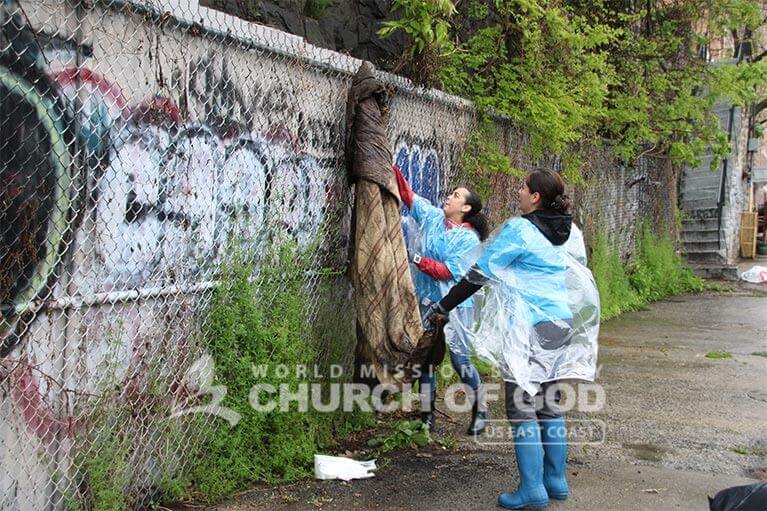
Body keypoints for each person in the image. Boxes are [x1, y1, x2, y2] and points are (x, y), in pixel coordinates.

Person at [424, 169, 596, 510]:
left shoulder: (520, 229)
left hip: (529, 327)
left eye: (523, 187)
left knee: (521, 407)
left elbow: (478, 273)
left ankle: (532, 489)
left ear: (535, 197)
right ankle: (556, 481)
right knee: (549, 401)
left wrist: (444, 305)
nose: (518, 191)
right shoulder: (569, 230)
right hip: (559, 323)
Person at [393, 165, 490, 435]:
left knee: (460, 360)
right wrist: (391, 167)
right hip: (427, 300)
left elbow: (448, 271)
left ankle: (480, 409)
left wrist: (415, 260)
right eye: (451, 193)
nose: (449, 197)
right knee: (426, 357)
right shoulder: (434, 218)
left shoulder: (468, 239)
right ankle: (427, 417)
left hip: (456, 306)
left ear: (467, 208)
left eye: (456, 195)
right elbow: (409, 196)